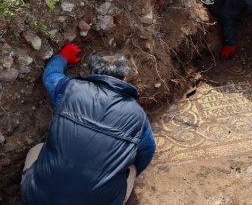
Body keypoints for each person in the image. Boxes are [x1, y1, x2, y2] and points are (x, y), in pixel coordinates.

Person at [21, 42, 156, 205]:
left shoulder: (68, 89)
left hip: (37, 199)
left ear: (91, 73)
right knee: (131, 169)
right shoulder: (138, 116)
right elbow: (148, 150)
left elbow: (50, 75)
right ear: (124, 78)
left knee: (36, 150)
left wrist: (63, 57)